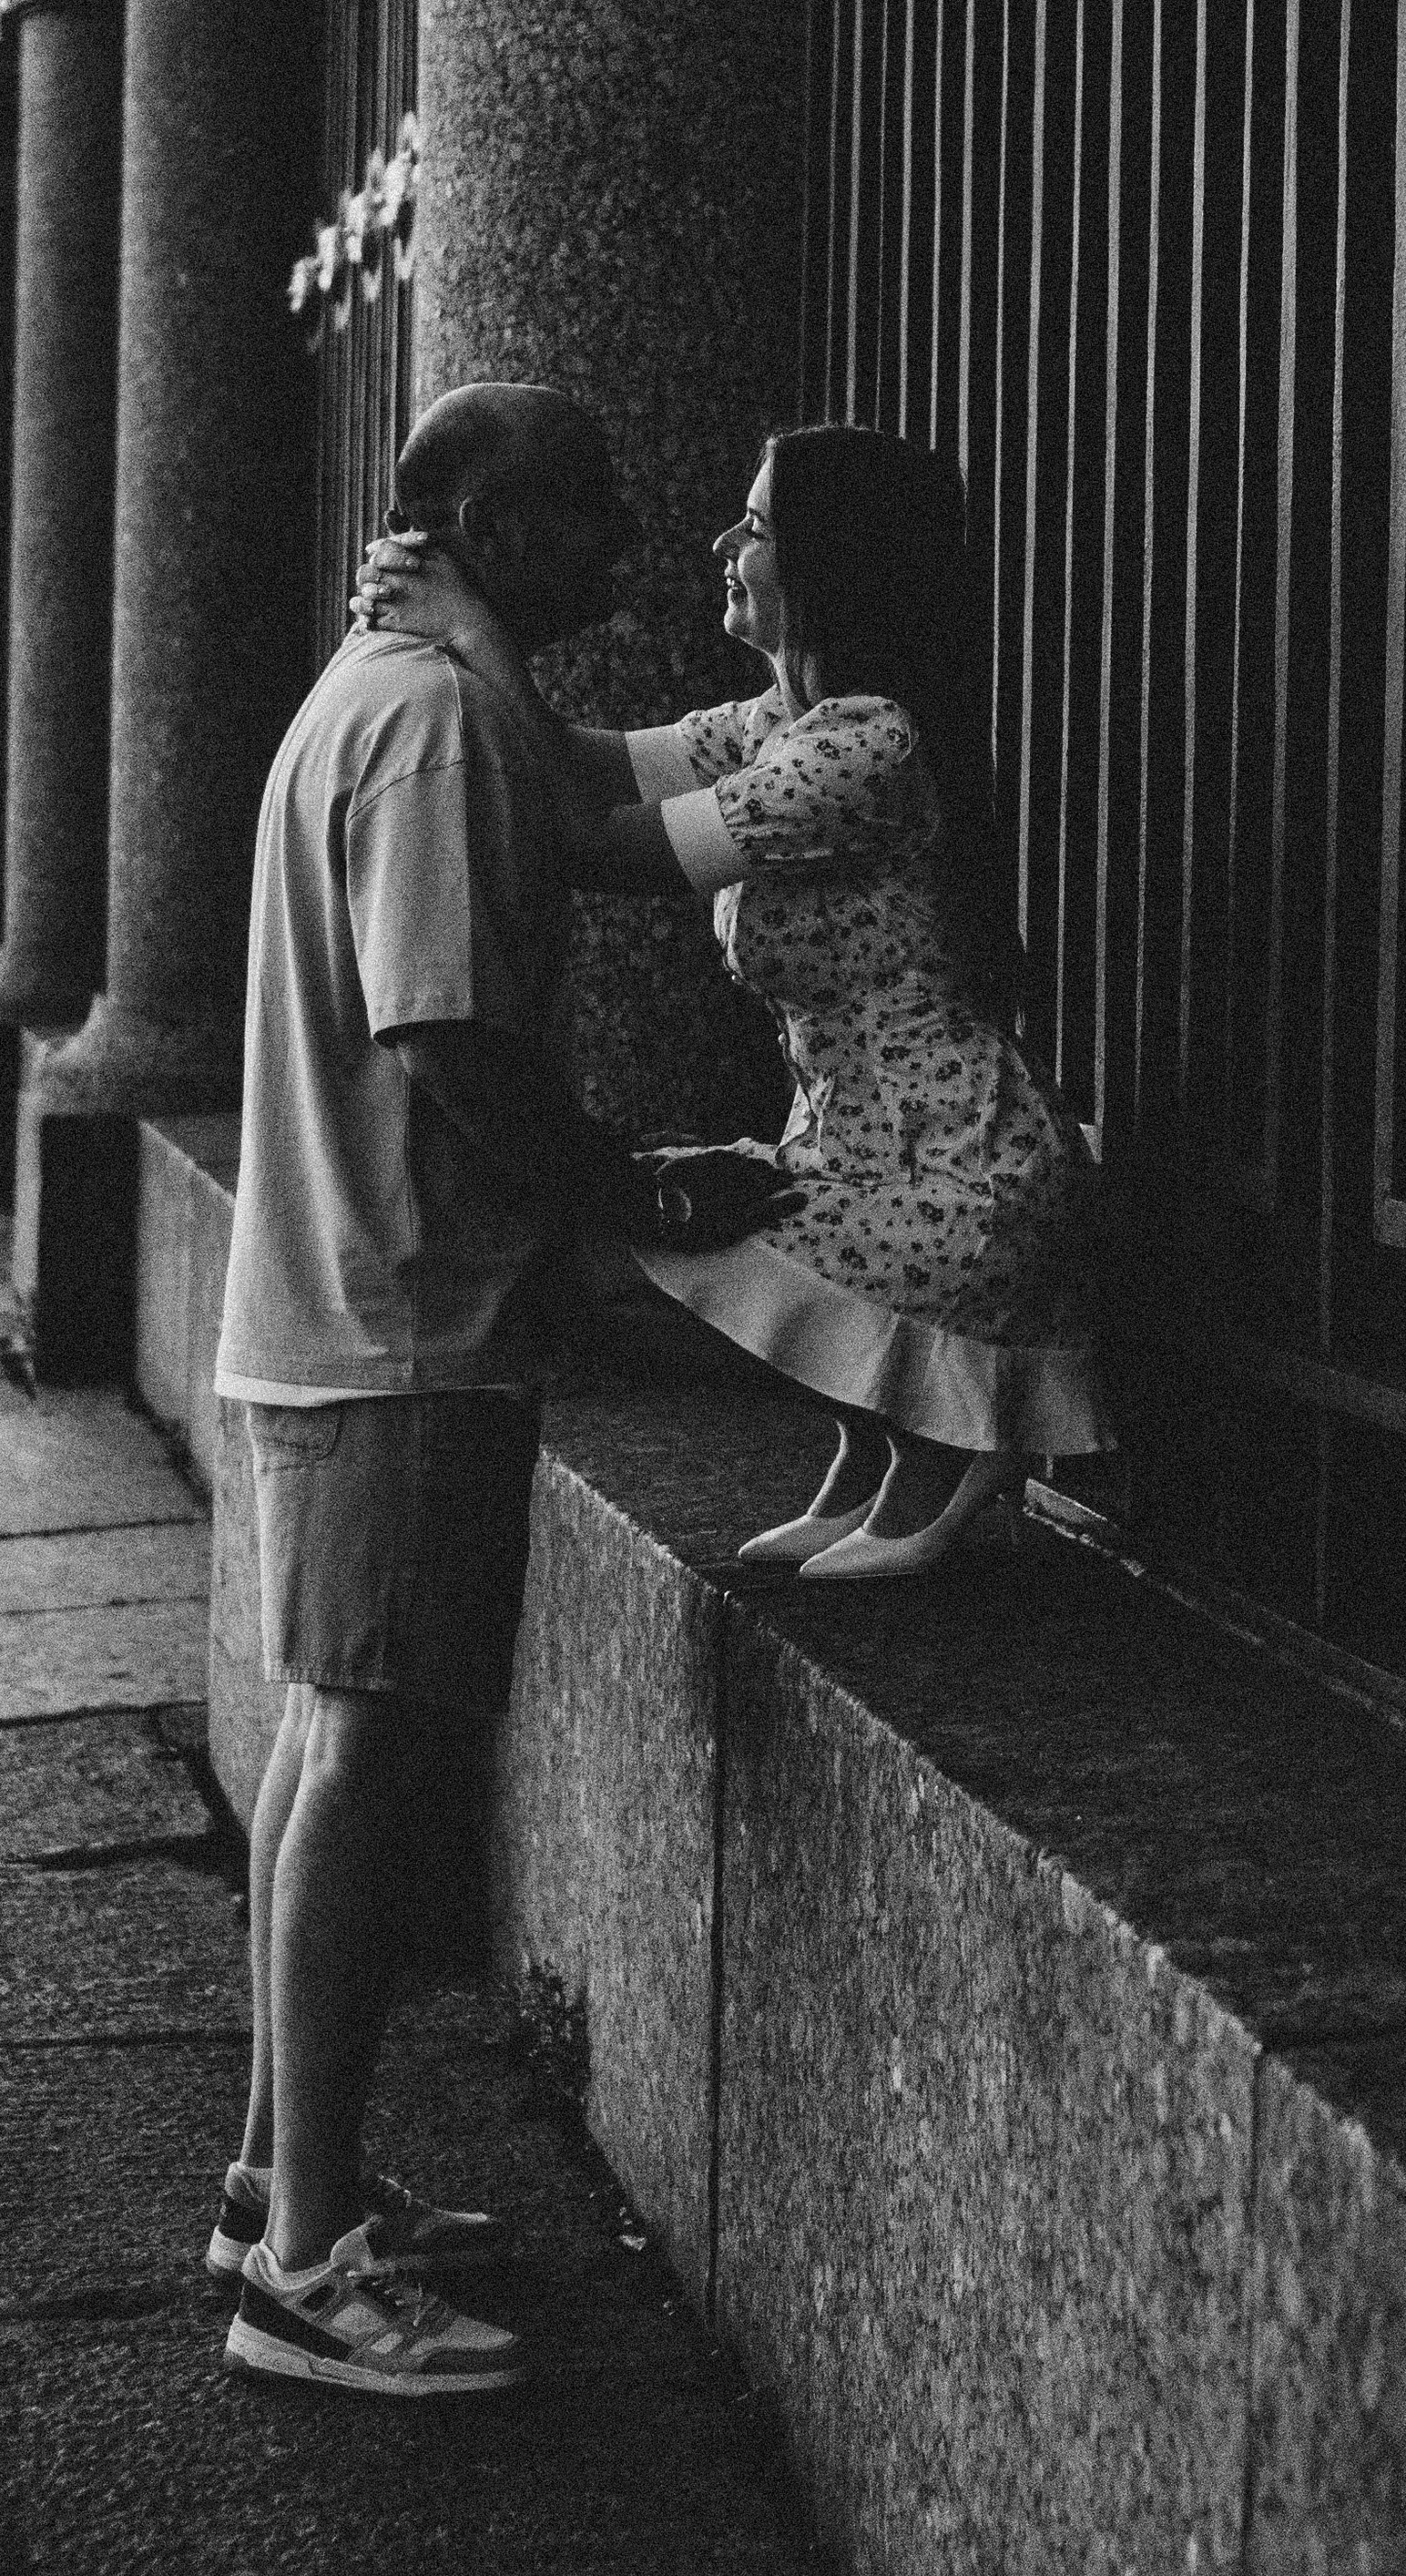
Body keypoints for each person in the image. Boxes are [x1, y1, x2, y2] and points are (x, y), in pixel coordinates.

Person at [209, 382, 794, 2400]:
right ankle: (303, 2267)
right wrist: (622, 1184)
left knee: (322, 1741)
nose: (621, 555)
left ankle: (284, 2173)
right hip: (401, 1316)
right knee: (365, 1762)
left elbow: (571, 810)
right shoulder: (441, 723)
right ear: (475, 516)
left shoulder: (396, 690)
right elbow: (448, 1026)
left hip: (326, 1298)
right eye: (581, 517)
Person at [355, 422, 1112, 1578]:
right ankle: (882, 1429)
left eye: (753, 527)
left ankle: (948, 1434)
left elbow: (575, 838)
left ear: (827, 564)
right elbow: (560, 758)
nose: (722, 543)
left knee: (608, 1276)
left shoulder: (868, 751)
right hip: (866, 1155)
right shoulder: (773, 729)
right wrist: (471, 632)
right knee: (613, 1251)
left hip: (959, 1176)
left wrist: (471, 628)